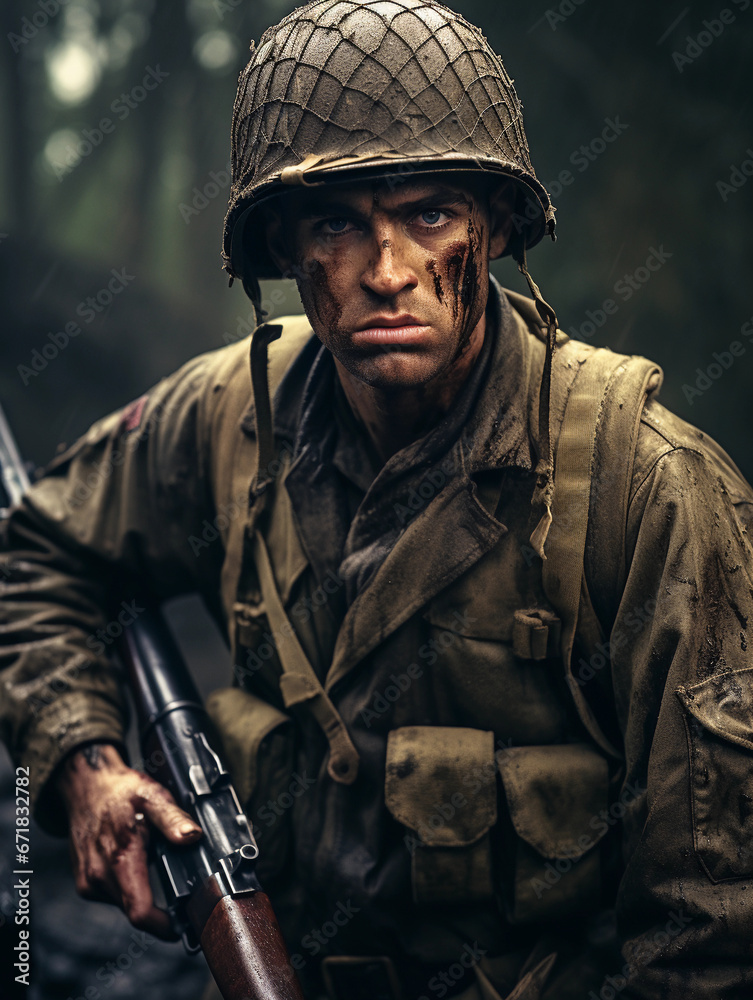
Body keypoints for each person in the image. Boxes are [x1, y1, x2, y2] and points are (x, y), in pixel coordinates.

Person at [2, 1, 753, 998]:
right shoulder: (225, 418)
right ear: (285, 249)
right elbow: (39, 547)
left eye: (429, 214)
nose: (388, 272)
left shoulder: (649, 488)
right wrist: (85, 760)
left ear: (489, 229)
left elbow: (707, 938)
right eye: (336, 224)